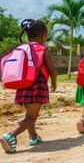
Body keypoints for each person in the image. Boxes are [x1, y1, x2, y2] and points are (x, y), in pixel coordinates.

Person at [0, 18, 57, 153]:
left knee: (29, 113)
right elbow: (52, 69)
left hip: (23, 84)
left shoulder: (22, 47)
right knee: (31, 117)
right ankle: (10, 135)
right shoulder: (43, 49)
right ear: (43, 36)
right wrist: (54, 82)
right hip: (37, 85)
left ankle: (33, 136)